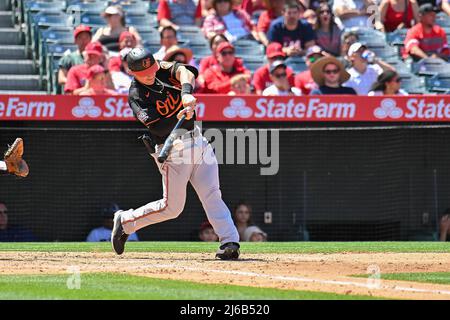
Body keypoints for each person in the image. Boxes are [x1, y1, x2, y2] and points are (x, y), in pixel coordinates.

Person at [111, 48, 240, 260]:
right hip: (172, 149)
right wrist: (181, 112)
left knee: (212, 193)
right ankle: (125, 221)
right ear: (133, 73)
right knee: (172, 208)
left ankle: (229, 241)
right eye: (144, 72)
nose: (150, 73)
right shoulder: (136, 96)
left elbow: (186, 72)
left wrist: (186, 92)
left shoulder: (159, 68)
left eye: (151, 68)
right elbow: (158, 128)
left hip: (198, 140)